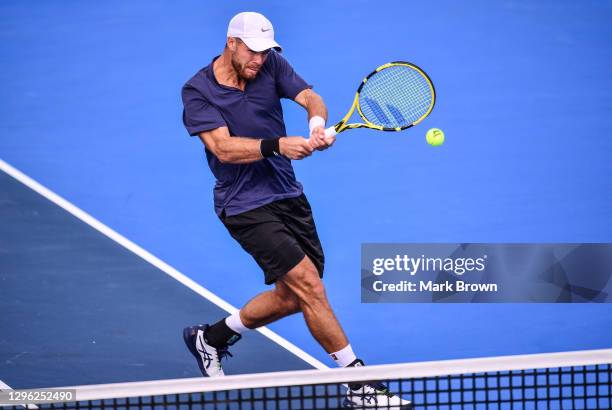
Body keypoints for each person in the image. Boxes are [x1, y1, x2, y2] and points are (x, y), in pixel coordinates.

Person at [180, 11, 412, 409]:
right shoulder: (198, 91)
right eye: (252, 52)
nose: (259, 60)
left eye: (265, 52)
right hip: (244, 204)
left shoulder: (270, 64)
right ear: (231, 43)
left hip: (287, 194)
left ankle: (211, 338)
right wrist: (277, 144)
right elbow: (222, 148)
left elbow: (308, 96)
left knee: (292, 296)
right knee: (310, 286)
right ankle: (359, 384)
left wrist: (317, 122)